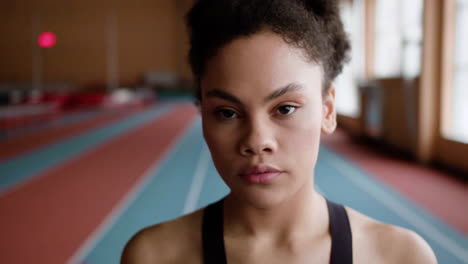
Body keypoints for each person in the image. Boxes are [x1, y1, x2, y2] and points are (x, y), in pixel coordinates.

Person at [121, 0, 437, 263]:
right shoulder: (152, 256)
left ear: (327, 111)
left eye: (284, 108)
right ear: (202, 114)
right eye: (227, 113)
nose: (257, 141)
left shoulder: (402, 257)